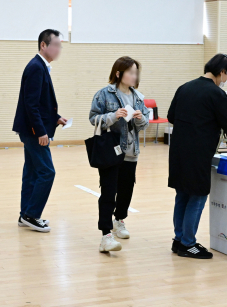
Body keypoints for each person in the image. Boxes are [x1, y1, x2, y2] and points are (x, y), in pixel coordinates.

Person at [167, 54, 227, 259]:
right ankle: (188, 243)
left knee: (182, 194)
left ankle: (179, 239)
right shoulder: (216, 93)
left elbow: (171, 116)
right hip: (198, 151)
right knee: (198, 195)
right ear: (221, 72)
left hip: (178, 149)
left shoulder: (185, 87)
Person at [89, 56, 150, 253]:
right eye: (130, 72)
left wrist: (140, 119)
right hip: (110, 150)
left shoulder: (138, 97)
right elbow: (93, 118)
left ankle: (119, 221)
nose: (134, 76)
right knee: (108, 191)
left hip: (131, 151)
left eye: (136, 73)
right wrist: (112, 116)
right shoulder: (104, 94)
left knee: (126, 190)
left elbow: (145, 123)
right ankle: (105, 235)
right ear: (118, 73)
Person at [12, 29, 67, 233]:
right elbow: (30, 104)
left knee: (33, 172)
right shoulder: (36, 67)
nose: (59, 49)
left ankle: (25, 214)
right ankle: (31, 214)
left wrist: (56, 118)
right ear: (43, 45)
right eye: (56, 45)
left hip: (32, 129)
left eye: (61, 45)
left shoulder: (41, 67)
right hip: (33, 131)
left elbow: (41, 103)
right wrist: (41, 132)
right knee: (47, 172)